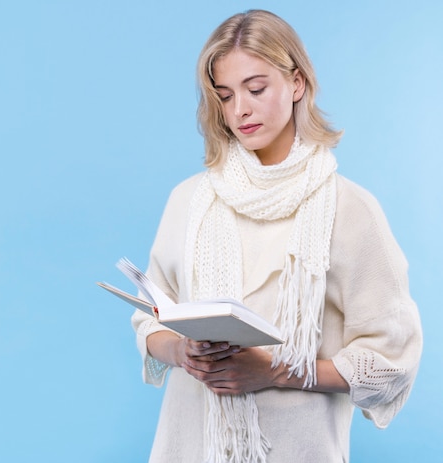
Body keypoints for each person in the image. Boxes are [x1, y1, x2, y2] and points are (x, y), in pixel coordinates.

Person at [130, 9, 423, 463]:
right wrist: (182, 351)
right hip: (188, 449)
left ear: (297, 83)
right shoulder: (189, 200)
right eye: (224, 96)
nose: (240, 109)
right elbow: (150, 319)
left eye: (256, 88)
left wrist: (278, 372)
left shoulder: (350, 209)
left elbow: (390, 363)